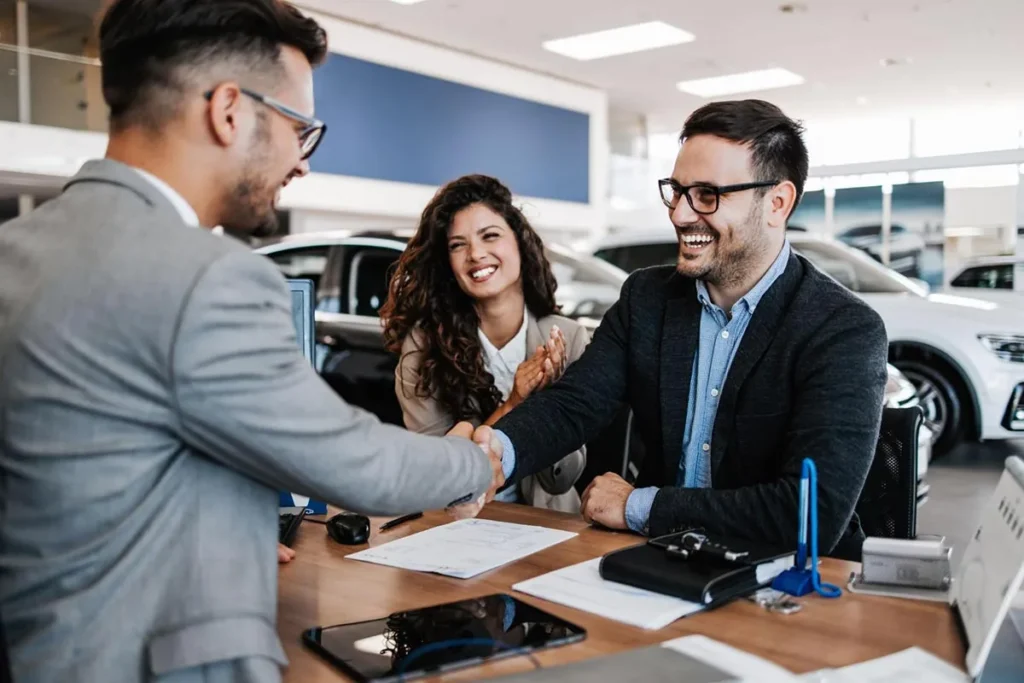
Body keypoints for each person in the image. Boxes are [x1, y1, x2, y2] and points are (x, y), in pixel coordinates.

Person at [0, 2, 502, 682]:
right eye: (302, 130)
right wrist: (472, 459)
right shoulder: (206, 276)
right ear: (230, 111)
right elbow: (358, 466)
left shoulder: (14, 251)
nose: (302, 163)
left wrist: (223, 529)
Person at [487, 99, 889, 559]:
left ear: (777, 203)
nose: (680, 214)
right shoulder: (647, 298)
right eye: (676, 191)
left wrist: (640, 505)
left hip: (788, 579)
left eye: (707, 195)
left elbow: (807, 514)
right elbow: (575, 404)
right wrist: (493, 452)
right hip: (662, 560)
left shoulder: (842, 329)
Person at [381, 175, 589, 512]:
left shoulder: (568, 338)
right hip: (456, 528)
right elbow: (438, 476)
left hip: (549, 526)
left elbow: (561, 479)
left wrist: (548, 404)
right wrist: (514, 404)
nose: (475, 254)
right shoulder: (422, 348)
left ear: (520, 243)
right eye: (457, 245)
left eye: (490, 236)